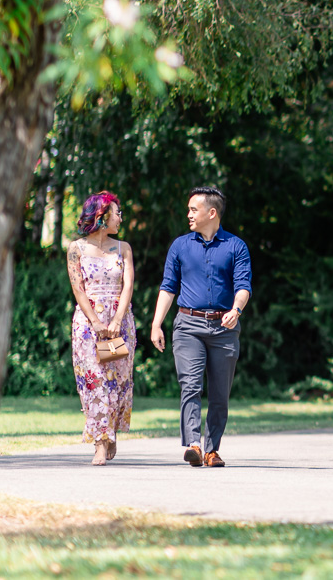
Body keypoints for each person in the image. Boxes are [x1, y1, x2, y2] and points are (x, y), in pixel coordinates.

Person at [150, 186, 251, 467]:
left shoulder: (236, 246)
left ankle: (212, 449)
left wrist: (236, 310)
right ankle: (194, 444)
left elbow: (243, 287)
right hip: (188, 326)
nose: (189, 215)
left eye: (194, 209)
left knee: (220, 393)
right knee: (190, 385)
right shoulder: (180, 245)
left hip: (224, 328)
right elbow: (168, 287)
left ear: (212, 212)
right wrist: (157, 323)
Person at [66, 191, 137, 466]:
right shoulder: (76, 249)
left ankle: (111, 432)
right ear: (102, 215)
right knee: (93, 382)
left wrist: (117, 320)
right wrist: (95, 321)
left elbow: (128, 285)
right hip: (87, 324)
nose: (120, 218)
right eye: (117, 213)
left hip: (121, 322)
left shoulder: (124, 248)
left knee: (117, 382)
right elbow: (78, 288)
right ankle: (99, 441)